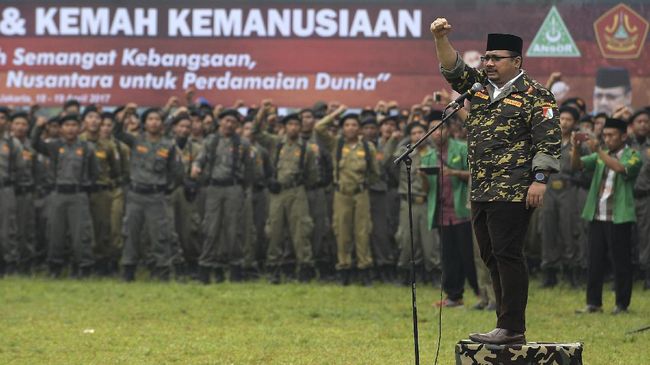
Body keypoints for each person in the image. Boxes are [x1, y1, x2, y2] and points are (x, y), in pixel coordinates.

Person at [431, 18, 561, 344]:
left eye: (496, 58)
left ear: (516, 61)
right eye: (486, 58)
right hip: (482, 188)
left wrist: (540, 180)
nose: (488, 63)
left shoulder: (536, 95)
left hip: (515, 188)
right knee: (491, 255)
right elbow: (452, 68)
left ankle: (512, 327)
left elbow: (548, 141)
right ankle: (505, 324)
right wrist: (440, 38)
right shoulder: (480, 89)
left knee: (507, 253)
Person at [572, 118, 641, 314]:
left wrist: (599, 151)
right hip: (597, 215)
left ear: (624, 136)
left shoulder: (633, 155)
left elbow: (620, 168)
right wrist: (576, 148)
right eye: (606, 135)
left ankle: (622, 304)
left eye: (612, 135)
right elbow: (577, 166)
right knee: (594, 261)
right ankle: (593, 303)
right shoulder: (602, 156)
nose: (607, 139)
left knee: (621, 262)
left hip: (619, 216)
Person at [314, 107, 380, 286]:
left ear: (359, 128)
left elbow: (374, 173)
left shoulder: (368, 147)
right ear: (342, 128)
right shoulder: (336, 144)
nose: (350, 128)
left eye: (354, 125)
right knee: (342, 232)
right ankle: (344, 268)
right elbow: (319, 128)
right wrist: (337, 113)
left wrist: (363, 186)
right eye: (347, 125)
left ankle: (364, 269)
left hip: (361, 194)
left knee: (363, 232)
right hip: (341, 194)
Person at [253, 108, 319, 284]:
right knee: (274, 230)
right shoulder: (275, 143)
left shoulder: (307, 149)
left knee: (301, 231)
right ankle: (273, 269)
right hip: (277, 192)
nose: (294, 128)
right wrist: (262, 113)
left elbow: (312, 175)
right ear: (284, 127)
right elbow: (256, 133)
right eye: (290, 124)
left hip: (297, 192)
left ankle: (305, 268)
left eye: (297, 124)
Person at [114, 108, 179, 282]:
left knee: (160, 235)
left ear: (162, 123)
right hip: (136, 195)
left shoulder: (169, 145)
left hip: (156, 196)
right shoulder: (136, 140)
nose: (154, 122)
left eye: (157, 119)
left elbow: (175, 172)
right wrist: (125, 114)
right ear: (145, 123)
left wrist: (165, 188)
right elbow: (117, 133)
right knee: (131, 234)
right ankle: (128, 270)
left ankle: (162, 271)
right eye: (150, 119)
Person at [31, 114, 98, 278]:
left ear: (80, 127)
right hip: (57, 194)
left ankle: (83, 268)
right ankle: (54, 268)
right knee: (55, 233)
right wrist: (39, 126)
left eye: (74, 125)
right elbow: (34, 143)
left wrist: (85, 188)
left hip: (78, 195)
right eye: (66, 125)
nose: (70, 128)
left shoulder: (87, 147)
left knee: (81, 234)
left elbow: (94, 173)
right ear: (61, 129)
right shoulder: (54, 146)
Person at [191, 109, 253, 284]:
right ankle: (205, 269)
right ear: (220, 122)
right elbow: (200, 159)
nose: (229, 124)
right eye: (226, 120)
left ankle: (236, 269)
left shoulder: (243, 144)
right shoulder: (210, 141)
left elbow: (249, 170)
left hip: (234, 188)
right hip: (214, 189)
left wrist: (244, 190)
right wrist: (196, 167)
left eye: (233, 122)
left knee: (234, 231)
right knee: (210, 229)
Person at [423, 115, 478, 307]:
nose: (437, 133)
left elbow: (476, 174)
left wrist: (454, 172)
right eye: (433, 129)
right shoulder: (428, 156)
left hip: (462, 210)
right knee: (448, 257)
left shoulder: (461, 148)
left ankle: (482, 294)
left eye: (440, 128)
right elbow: (426, 190)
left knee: (469, 255)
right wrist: (422, 176)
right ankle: (454, 296)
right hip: (442, 213)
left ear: (448, 130)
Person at [539, 106, 583, 288]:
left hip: (568, 189)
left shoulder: (578, 144)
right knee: (548, 229)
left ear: (575, 123)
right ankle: (549, 272)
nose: (564, 122)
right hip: (549, 188)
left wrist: (576, 148)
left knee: (569, 228)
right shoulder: (549, 140)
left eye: (569, 120)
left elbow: (576, 168)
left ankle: (571, 271)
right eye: (561, 118)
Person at [393, 122, 441, 286]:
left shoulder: (433, 153)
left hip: (427, 201)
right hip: (408, 202)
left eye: (421, 132)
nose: (417, 135)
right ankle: (404, 273)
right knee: (406, 240)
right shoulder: (404, 152)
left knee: (430, 242)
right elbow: (388, 164)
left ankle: (433, 273)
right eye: (413, 133)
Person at [80, 105, 121, 276]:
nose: (94, 121)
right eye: (90, 117)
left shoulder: (107, 146)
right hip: (80, 192)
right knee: (81, 229)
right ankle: (83, 263)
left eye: (97, 118)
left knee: (103, 229)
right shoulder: (77, 142)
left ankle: (102, 264)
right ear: (84, 121)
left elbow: (117, 170)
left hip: (101, 192)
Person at [11, 112, 38, 275]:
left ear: (28, 127)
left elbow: (36, 170)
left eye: (23, 124)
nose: (20, 127)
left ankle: (25, 266)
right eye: (17, 123)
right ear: (11, 125)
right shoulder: (5, 143)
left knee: (25, 230)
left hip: (25, 193)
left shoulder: (31, 147)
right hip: (7, 191)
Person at [628, 110, 650, 290]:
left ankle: (646, 274)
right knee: (626, 236)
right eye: (639, 121)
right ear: (632, 125)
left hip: (645, 197)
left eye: (646, 121)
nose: (643, 124)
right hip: (626, 197)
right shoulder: (626, 145)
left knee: (645, 237)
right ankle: (628, 273)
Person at [0, 109, 21, 276]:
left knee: (8, 230)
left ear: (7, 122)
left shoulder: (13, 143)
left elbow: (20, 168)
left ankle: (10, 264)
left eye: (2, 118)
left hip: (5, 189)